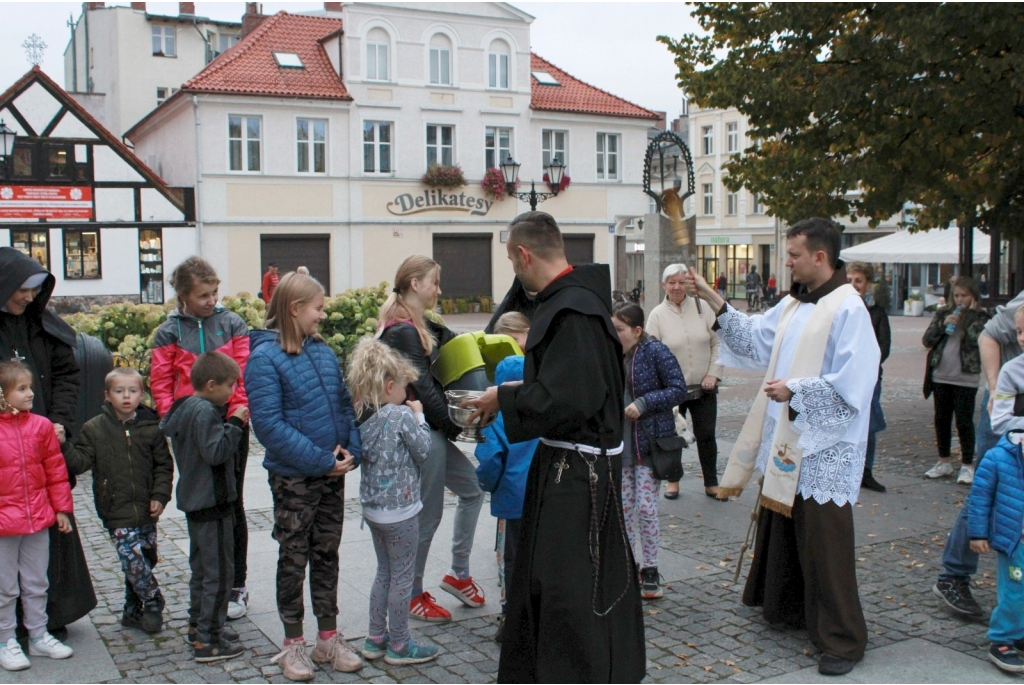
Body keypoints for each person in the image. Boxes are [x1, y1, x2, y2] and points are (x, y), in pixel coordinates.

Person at [688, 217, 880, 676]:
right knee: (787, 524)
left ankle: (841, 639)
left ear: (820, 257)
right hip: (790, 437)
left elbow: (856, 381)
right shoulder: (797, 304)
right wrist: (711, 296)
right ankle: (788, 606)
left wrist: (796, 389)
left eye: (793, 255)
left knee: (824, 540)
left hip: (824, 446)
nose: (787, 262)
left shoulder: (849, 309)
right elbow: (757, 339)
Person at [465, 211, 646, 683]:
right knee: (550, 579)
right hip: (563, 464)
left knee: (570, 585)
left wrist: (500, 397)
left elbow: (570, 397)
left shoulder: (575, 313)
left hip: (577, 474)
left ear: (524, 254)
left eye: (511, 258)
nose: (512, 269)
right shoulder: (567, 301)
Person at [245, 273, 363, 680]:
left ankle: (327, 637)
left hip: (332, 474)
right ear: (295, 309)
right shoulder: (264, 358)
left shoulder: (323, 352)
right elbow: (269, 427)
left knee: (327, 554)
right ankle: (293, 643)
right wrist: (318, 460)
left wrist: (351, 450)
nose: (323, 315)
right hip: (295, 478)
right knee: (294, 557)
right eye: (318, 308)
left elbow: (344, 407)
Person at [377, 256, 486, 623]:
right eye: (434, 283)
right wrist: (460, 427)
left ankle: (458, 573)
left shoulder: (418, 324)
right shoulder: (404, 330)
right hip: (422, 429)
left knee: (472, 488)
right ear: (413, 284)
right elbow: (421, 386)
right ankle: (411, 593)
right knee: (428, 515)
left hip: (430, 427)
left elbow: (462, 344)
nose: (439, 290)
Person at [0, 247, 95, 640]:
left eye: (33, 291)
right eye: (21, 289)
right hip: (6, 457)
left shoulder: (42, 324)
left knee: (49, 529)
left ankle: (50, 615)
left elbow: (67, 376)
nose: (27, 297)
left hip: (43, 448)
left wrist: (59, 422)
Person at [151, 257, 252, 620]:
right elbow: (161, 382)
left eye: (214, 293)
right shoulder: (168, 331)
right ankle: (207, 579)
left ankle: (235, 584)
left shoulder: (231, 322)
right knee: (201, 497)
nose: (210, 300)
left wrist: (237, 415)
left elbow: (241, 373)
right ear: (182, 295)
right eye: (202, 295)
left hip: (230, 423)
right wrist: (171, 419)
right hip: (191, 425)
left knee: (231, 502)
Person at [346, 338, 440, 667]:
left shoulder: (361, 417)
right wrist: (419, 416)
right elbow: (424, 450)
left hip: (373, 510)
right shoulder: (400, 416)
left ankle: (375, 638)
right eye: (404, 386)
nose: (408, 392)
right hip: (401, 512)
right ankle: (400, 643)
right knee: (402, 576)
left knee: (384, 572)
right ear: (389, 386)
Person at [933, 289, 1024, 619]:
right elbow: (989, 335)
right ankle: (953, 575)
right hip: (1008, 412)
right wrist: (997, 383)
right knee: (988, 489)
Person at [63, 368, 173, 634]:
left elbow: (164, 466)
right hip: (116, 509)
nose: (126, 396)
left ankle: (132, 608)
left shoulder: (151, 427)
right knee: (131, 558)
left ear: (141, 394)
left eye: (132, 391)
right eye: (119, 391)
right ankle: (153, 600)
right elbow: (79, 463)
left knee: (146, 558)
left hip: (147, 508)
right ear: (107, 395)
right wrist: (63, 445)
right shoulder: (94, 429)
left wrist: (159, 496)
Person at [160, 352, 247, 663]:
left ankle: (201, 626)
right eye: (229, 385)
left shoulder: (185, 406)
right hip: (212, 503)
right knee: (219, 574)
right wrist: (235, 423)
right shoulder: (206, 412)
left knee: (201, 571)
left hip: (196, 503)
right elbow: (216, 452)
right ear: (211, 385)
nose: (233, 391)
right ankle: (209, 640)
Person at [0, 361, 75, 671]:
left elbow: (55, 472)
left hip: (37, 519)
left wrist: (61, 509)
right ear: (3, 395)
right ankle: (5, 640)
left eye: (29, 387)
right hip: (4, 524)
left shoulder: (41, 426)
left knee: (36, 582)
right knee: (5, 587)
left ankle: (38, 635)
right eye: (22, 389)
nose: (31, 393)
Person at [613, 303, 687, 600]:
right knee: (625, 508)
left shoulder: (655, 351)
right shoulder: (612, 354)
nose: (615, 334)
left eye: (619, 329)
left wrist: (643, 404)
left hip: (648, 442)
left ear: (637, 330)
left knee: (645, 507)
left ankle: (651, 568)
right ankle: (630, 566)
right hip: (620, 444)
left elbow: (678, 389)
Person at [474, 312, 538, 642]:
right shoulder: (542, 404)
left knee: (510, 560)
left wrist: (488, 485)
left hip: (511, 501)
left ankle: (511, 618)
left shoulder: (496, 415)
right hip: (543, 497)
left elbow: (489, 460)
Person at [967, 317, 1024, 673]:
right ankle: (1004, 635)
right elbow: (1000, 418)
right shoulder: (1011, 371)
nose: (1021, 337)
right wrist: (978, 532)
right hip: (1015, 534)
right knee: (1015, 589)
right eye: (1019, 331)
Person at [647, 264, 723, 500]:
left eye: (681, 282)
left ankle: (711, 482)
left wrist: (713, 373)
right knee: (673, 436)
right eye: (672, 282)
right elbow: (650, 352)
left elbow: (718, 343)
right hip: (672, 391)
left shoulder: (703, 308)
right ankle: (672, 481)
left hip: (703, 387)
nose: (677, 287)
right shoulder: (657, 315)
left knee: (707, 435)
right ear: (664, 286)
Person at [922, 276, 989, 483]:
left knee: (964, 421)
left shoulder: (981, 317)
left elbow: (976, 341)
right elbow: (927, 340)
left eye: (964, 296)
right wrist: (943, 324)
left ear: (973, 296)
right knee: (941, 419)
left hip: (965, 376)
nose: (960, 300)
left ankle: (967, 465)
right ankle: (944, 461)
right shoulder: (943, 312)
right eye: (956, 295)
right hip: (941, 373)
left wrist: (967, 317)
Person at [847, 263, 891, 492]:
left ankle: (866, 470)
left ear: (867, 284)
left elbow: (884, 345)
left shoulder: (876, 311)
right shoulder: (841, 307)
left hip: (870, 377)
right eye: (850, 280)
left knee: (870, 424)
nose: (854, 285)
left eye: (859, 280)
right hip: (845, 376)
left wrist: (866, 364)